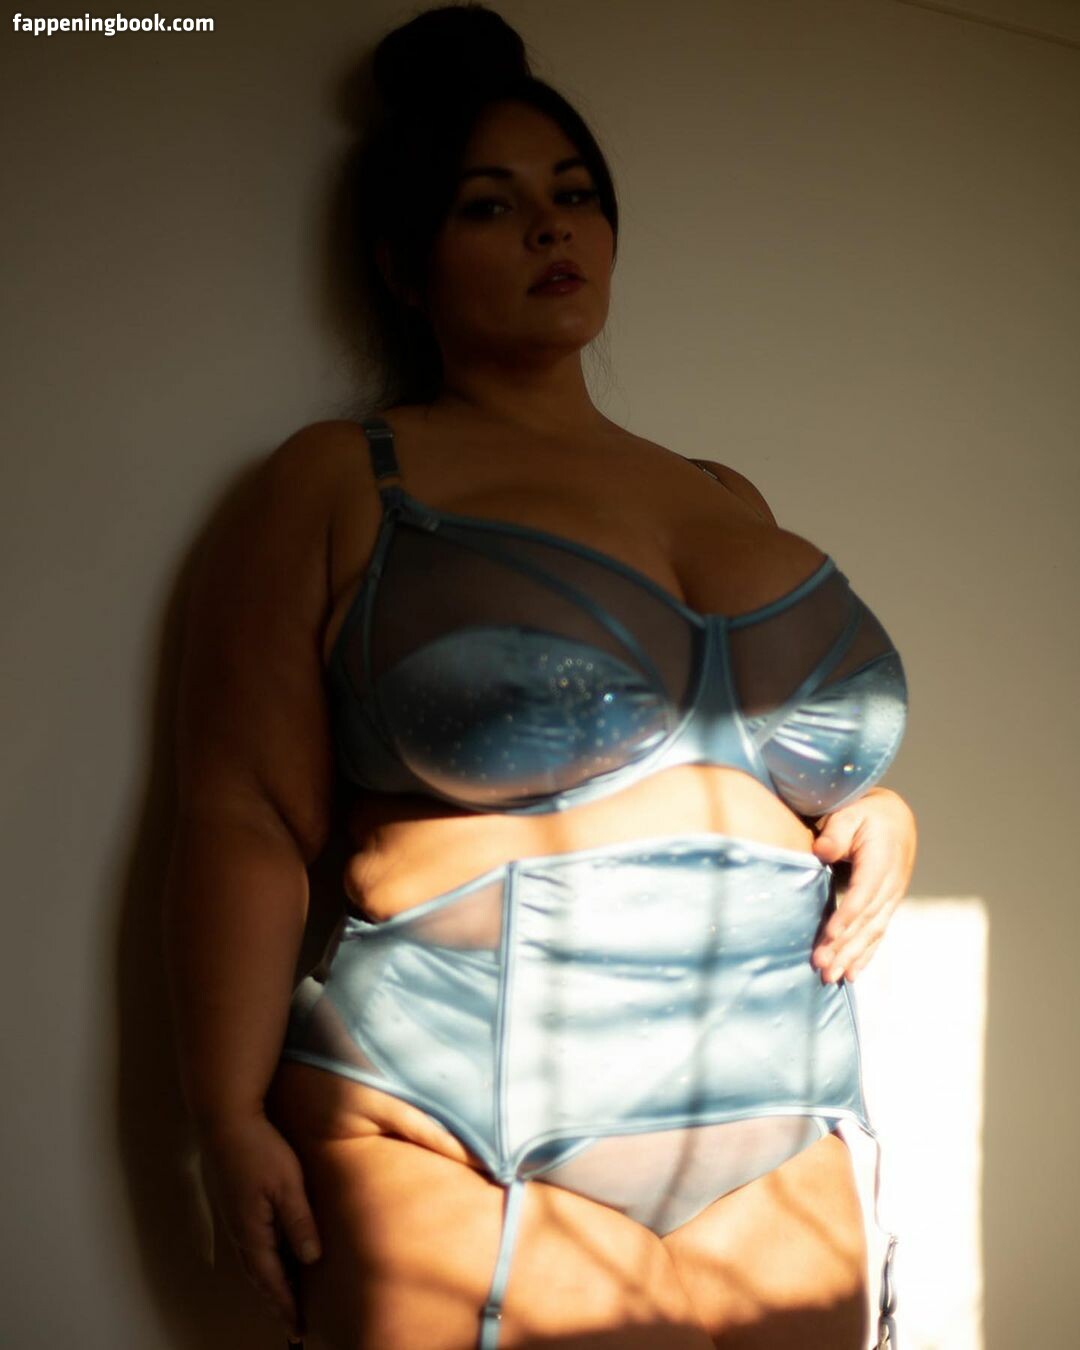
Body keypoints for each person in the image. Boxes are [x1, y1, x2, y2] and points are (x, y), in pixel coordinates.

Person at [162, 5, 917, 1348]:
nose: (549, 229)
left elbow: (732, 754)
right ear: (404, 265)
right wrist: (221, 1113)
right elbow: (245, 811)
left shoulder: (723, 492)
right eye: (489, 206)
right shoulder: (344, 479)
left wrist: (875, 810)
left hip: (782, 1109)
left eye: (573, 195)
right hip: (448, 1114)